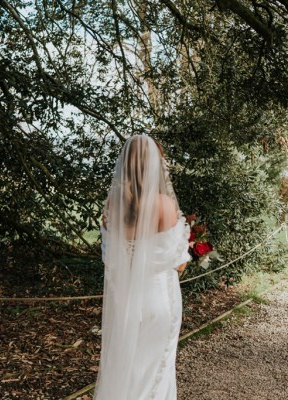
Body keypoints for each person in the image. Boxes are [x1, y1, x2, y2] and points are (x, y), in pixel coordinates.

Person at [95, 135, 191, 399]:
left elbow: (110, 259)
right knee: (156, 374)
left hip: (125, 300)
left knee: (128, 370)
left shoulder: (112, 206)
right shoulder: (164, 205)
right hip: (159, 300)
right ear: (154, 165)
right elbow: (180, 264)